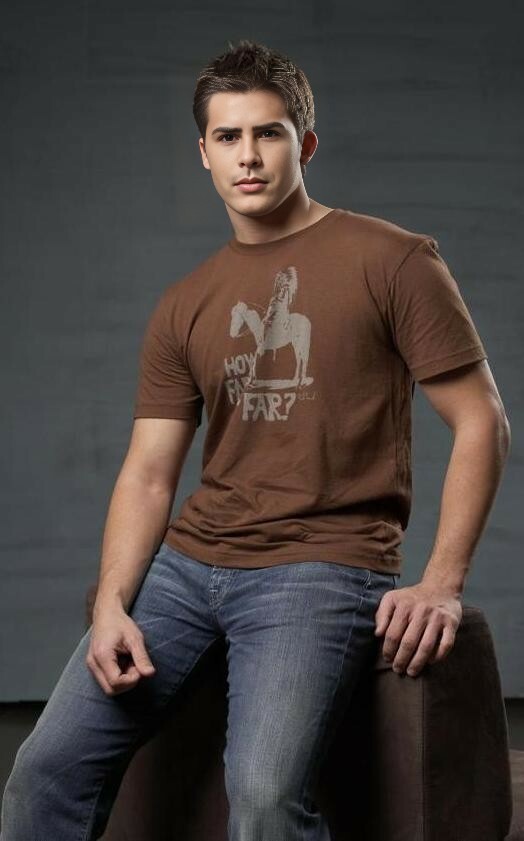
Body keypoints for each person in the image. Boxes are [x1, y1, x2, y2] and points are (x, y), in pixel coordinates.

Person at [0, 38, 511, 841]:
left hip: (319, 566)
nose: (248, 156)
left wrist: (442, 581)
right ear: (203, 153)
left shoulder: (395, 260)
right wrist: (111, 603)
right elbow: (148, 473)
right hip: (187, 568)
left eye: (268, 133)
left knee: (266, 797)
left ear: (305, 144)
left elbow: (483, 419)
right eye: (228, 136)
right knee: (44, 770)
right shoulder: (185, 303)